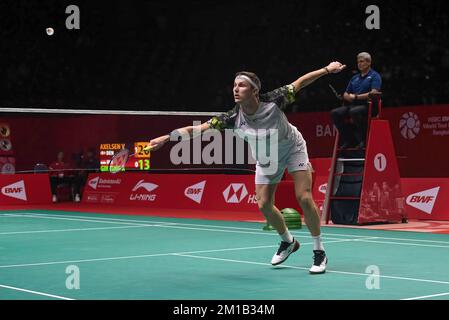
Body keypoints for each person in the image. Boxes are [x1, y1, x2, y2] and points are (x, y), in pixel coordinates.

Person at [148, 61, 346, 274]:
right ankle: (288, 242)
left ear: (255, 90)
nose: (236, 89)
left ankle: (319, 251)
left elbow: (301, 82)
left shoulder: (274, 100)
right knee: (263, 204)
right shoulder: (232, 117)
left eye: (242, 85)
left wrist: (327, 70)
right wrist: (168, 138)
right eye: (234, 85)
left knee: (304, 197)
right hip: (266, 158)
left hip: (292, 148)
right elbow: (199, 129)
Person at [330, 52, 382, 149]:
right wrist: (347, 96)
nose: (359, 64)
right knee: (335, 113)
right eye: (358, 62)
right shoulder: (355, 78)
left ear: (369, 62)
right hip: (353, 105)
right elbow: (346, 93)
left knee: (354, 112)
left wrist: (356, 97)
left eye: (362, 61)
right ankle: (349, 139)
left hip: (369, 106)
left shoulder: (375, 76)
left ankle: (364, 140)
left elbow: (374, 93)